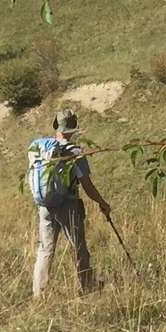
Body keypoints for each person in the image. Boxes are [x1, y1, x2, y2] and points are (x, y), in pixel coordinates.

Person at [28, 109, 111, 298]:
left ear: (56, 126)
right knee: (78, 246)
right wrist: (102, 203)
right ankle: (87, 286)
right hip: (68, 204)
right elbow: (87, 186)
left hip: (45, 206)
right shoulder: (74, 152)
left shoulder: (41, 149)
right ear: (73, 128)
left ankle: (39, 294)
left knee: (45, 248)